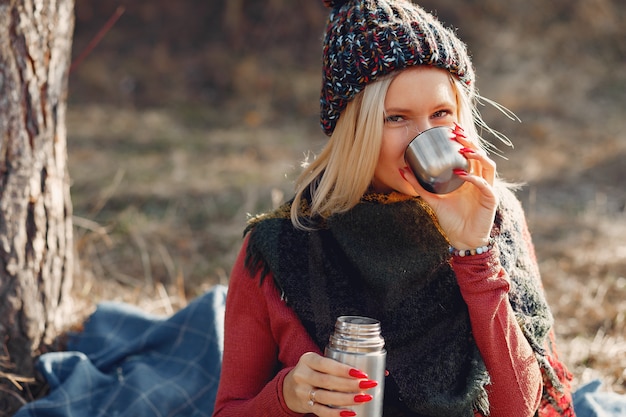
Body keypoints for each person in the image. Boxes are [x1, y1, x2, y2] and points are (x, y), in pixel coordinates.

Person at [212, 1, 576, 416]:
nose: (423, 139)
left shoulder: (495, 217)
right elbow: (229, 410)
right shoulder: (280, 247)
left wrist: (475, 254)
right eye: (396, 118)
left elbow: (521, 408)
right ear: (356, 128)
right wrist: (288, 396)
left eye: (441, 113)